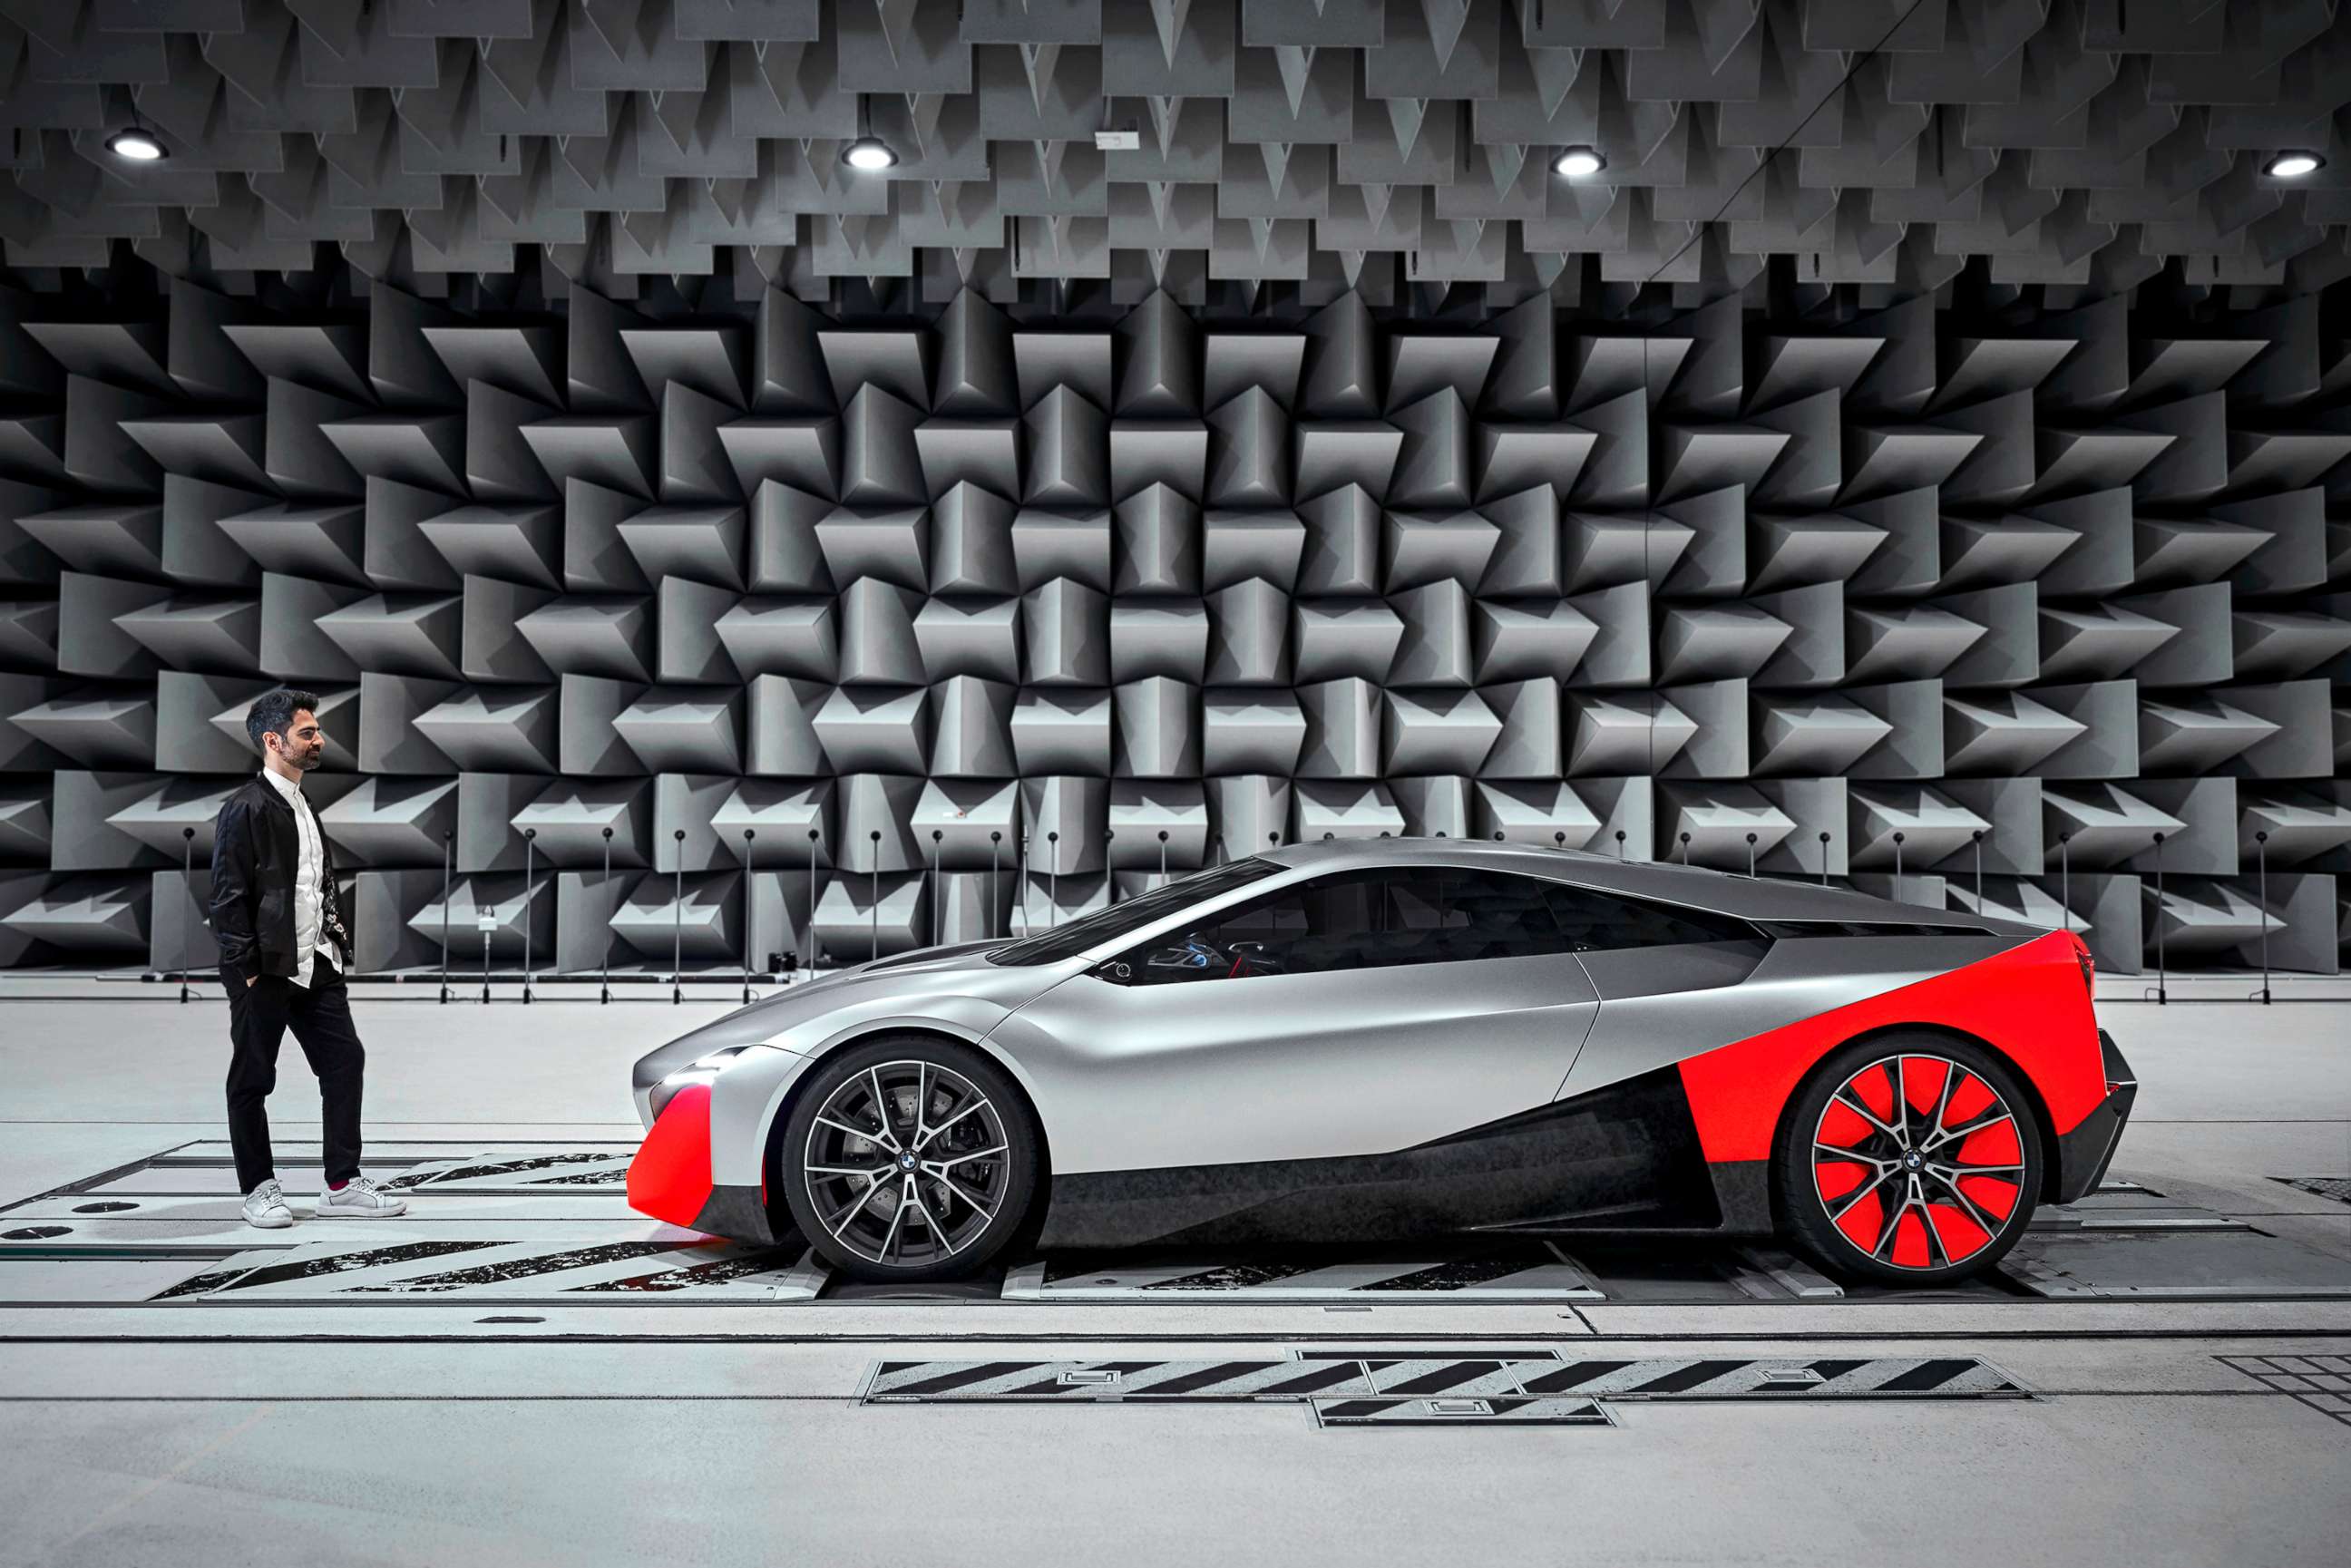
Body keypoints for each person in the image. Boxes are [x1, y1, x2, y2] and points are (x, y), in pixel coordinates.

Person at [210, 688, 407, 1229]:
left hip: (314, 963)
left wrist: (334, 944)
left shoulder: (302, 801)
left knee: (345, 1063)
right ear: (274, 741)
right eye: (307, 732)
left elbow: (315, 886)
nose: (318, 740)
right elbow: (227, 897)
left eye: (316, 730)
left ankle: (341, 1182)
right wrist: (247, 968)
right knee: (252, 1079)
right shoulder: (245, 809)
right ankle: (258, 1188)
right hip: (266, 968)